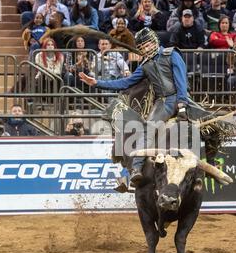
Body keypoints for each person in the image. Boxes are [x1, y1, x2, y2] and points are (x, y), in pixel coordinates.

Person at [78, 28, 191, 186]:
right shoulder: (145, 65)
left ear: (155, 41)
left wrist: (182, 105)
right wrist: (97, 82)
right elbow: (126, 82)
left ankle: (208, 160)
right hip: (161, 102)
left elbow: (181, 82)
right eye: (143, 46)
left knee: (207, 125)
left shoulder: (171, 54)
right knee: (144, 129)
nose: (146, 48)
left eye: (148, 44)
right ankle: (134, 169)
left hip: (176, 98)